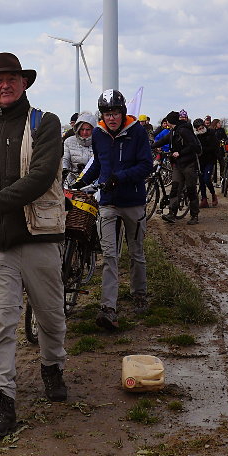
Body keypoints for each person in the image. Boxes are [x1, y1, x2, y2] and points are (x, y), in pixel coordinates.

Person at [0, 52, 67, 440]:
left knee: (51, 316)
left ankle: (52, 366)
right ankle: (2, 400)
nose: (4, 85)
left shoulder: (46, 123)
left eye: (12, 78)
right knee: (0, 324)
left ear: (24, 83)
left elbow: (40, 177)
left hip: (38, 239)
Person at [78, 89, 153, 331]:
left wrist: (119, 178)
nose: (111, 118)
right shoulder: (99, 135)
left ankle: (139, 293)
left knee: (136, 252)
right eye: (107, 113)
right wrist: (80, 182)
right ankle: (108, 308)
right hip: (108, 203)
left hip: (132, 202)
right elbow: (99, 163)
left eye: (115, 113)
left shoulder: (137, 133)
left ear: (123, 113)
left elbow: (145, 166)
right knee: (110, 256)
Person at [158, 111, 201, 225]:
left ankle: (194, 215)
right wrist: (151, 145)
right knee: (175, 188)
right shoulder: (173, 131)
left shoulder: (184, 131)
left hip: (189, 164)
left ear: (170, 121)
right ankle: (172, 213)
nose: (166, 122)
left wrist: (180, 153)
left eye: (167, 120)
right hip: (178, 164)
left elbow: (194, 146)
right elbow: (164, 140)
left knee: (191, 189)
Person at [62, 112, 97, 189]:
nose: (85, 132)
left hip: (93, 184)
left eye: (88, 129)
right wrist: (65, 170)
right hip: (72, 181)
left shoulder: (99, 142)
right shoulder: (69, 141)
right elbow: (65, 159)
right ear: (78, 129)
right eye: (82, 129)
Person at [193, 118, 220, 208]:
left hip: (210, 160)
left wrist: (203, 150)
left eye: (201, 128)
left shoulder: (211, 133)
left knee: (207, 179)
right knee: (201, 180)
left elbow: (215, 146)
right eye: (198, 129)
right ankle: (204, 199)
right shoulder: (195, 136)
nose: (200, 130)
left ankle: (213, 194)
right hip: (200, 161)